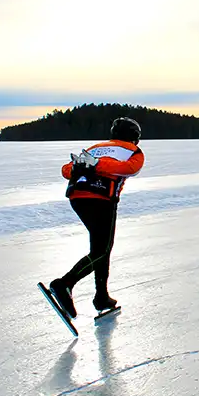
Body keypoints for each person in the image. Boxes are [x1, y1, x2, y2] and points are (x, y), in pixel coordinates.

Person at [49, 117, 146, 319]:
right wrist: (99, 167)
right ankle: (65, 283)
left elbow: (66, 170)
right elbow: (130, 169)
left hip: (77, 197)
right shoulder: (133, 151)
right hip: (102, 200)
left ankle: (101, 296)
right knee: (102, 251)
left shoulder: (95, 148)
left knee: (100, 248)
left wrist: (89, 166)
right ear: (135, 137)